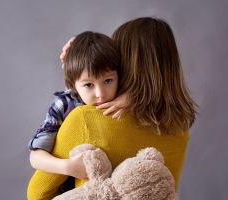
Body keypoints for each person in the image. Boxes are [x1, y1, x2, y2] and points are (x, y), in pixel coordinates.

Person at [27, 17, 199, 200]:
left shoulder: (86, 119)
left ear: (122, 63)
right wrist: (82, 49)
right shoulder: (180, 125)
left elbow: (37, 193)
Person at [28, 31, 124, 191]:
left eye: (108, 80)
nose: (100, 93)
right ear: (73, 85)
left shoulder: (122, 97)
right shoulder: (65, 105)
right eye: (88, 85)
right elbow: (36, 157)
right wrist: (67, 167)